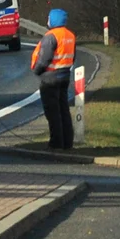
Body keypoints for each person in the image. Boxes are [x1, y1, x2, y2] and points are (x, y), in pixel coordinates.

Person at [31, 8, 77, 149]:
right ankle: (67, 142)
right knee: (63, 110)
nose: (47, 20)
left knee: (52, 113)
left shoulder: (51, 36)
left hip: (50, 78)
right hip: (64, 76)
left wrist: (37, 71)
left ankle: (56, 143)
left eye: (49, 18)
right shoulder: (70, 35)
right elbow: (73, 57)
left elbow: (44, 59)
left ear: (53, 19)